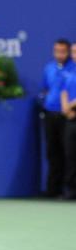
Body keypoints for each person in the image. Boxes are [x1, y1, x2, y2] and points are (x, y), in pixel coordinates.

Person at [43, 39, 73, 198]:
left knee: (68, 154)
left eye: (63, 51)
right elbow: (46, 89)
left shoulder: (73, 68)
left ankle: (69, 191)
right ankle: (52, 190)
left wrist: (68, 109)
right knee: (52, 153)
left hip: (67, 116)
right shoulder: (48, 68)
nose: (59, 54)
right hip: (50, 114)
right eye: (57, 51)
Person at [60, 42, 76, 199]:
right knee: (70, 155)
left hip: (72, 111)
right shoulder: (69, 71)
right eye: (73, 52)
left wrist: (70, 106)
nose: (73, 55)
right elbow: (63, 90)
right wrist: (66, 108)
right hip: (70, 118)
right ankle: (70, 192)